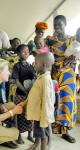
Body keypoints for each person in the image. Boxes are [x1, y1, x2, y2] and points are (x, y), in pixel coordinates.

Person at [45, 15, 77, 143]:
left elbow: (77, 54)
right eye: (55, 24)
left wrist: (75, 58)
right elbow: (43, 53)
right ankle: (52, 127)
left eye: (60, 24)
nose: (57, 26)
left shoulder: (73, 39)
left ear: (65, 24)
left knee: (67, 101)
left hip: (68, 75)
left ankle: (65, 131)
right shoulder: (50, 39)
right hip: (54, 73)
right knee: (54, 100)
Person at [25, 52, 55, 150]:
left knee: (43, 135)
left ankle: (43, 148)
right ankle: (36, 145)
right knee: (38, 131)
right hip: (39, 114)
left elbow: (47, 101)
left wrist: (44, 118)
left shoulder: (45, 80)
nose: (34, 64)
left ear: (44, 65)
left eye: (36, 63)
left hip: (43, 115)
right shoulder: (41, 76)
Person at [12, 44, 36, 144]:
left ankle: (30, 135)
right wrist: (25, 91)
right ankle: (19, 136)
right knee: (20, 115)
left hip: (30, 95)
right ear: (18, 54)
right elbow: (16, 81)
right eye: (23, 51)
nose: (26, 53)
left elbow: (35, 77)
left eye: (27, 51)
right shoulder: (17, 66)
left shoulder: (30, 66)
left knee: (30, 115)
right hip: (20, 94)